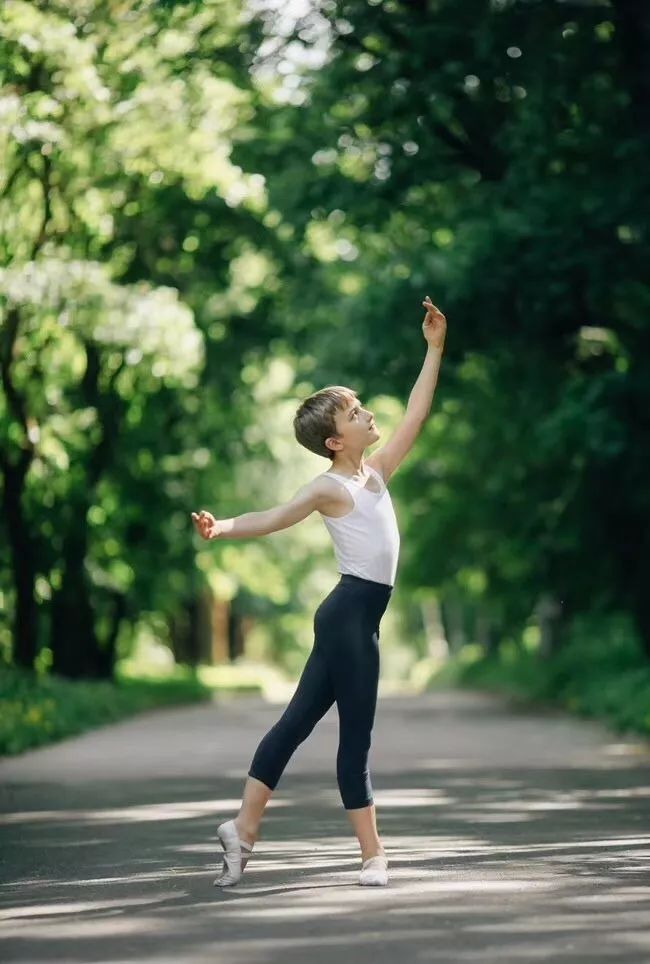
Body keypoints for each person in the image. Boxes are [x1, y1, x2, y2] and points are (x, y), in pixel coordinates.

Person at [191, 296, 446, 887]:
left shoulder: (376, 473)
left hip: (357, 616)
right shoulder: (330, 488)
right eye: (354, 411)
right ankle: (372, 856)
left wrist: (433, 349)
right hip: (348, 615)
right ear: (335, 440)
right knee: (354, 736)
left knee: (296, 722)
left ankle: (243, 831)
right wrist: (223, 526)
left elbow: (417, 412)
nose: (365, 413)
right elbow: (275, 515)